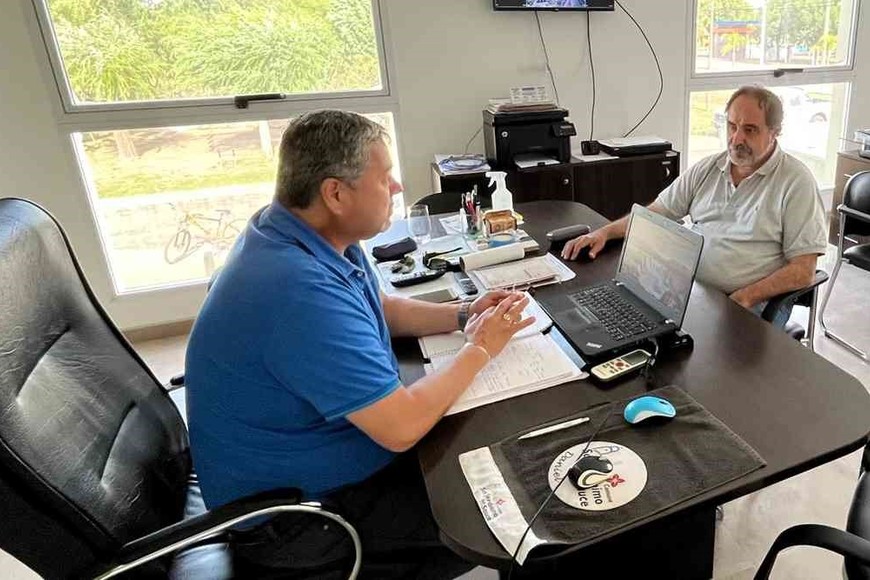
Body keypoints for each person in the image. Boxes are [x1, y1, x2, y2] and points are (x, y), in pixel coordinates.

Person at [184, 109, 535, 579]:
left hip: (314, 467)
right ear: (335, 194)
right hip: (300, 522)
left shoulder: (298, 234)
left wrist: (464, 314)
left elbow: (379, 307)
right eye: (384, 177)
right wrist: (480, 348)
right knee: (513, 506)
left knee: (484, 439)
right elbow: (401, 427)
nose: (397, 187)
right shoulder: (295, 289)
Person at [562, 85, 827, 327]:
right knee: (611, 320)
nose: (736, 139)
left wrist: (744, 297)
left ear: (775, 132)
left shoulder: (796, 182)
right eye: (732, 126)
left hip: (746, 304)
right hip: (686, 293)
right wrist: (604, 233)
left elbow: (803, 271)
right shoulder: (709, 168)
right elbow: (654, 214)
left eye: (750, 130)